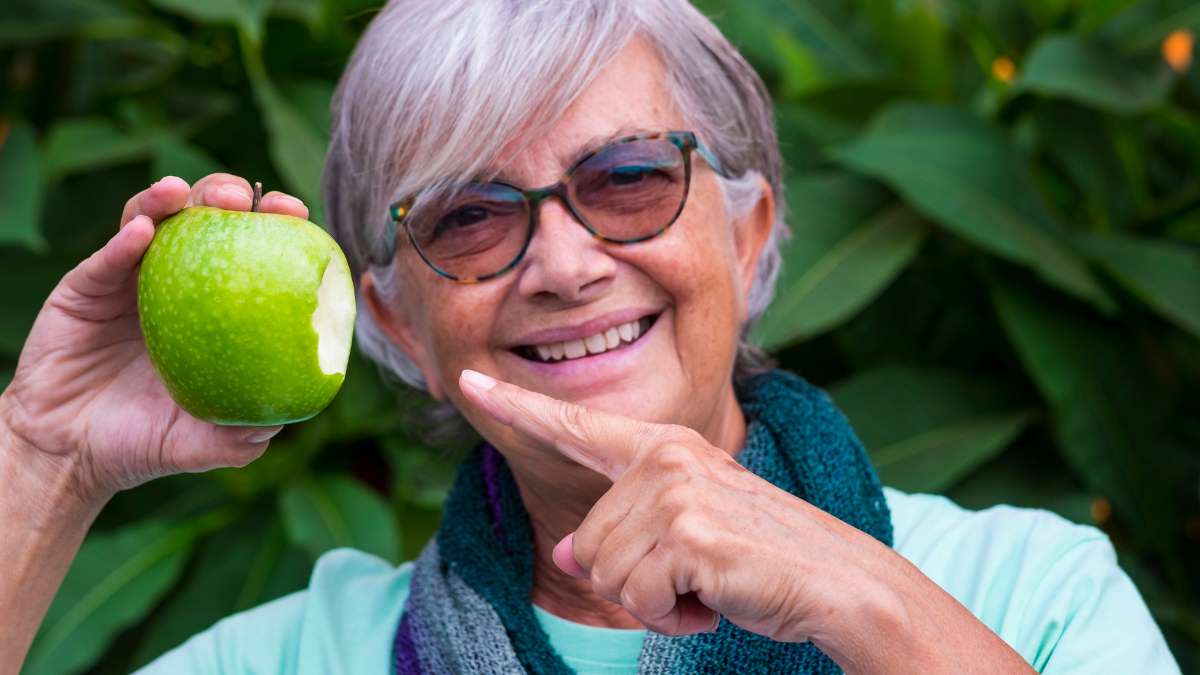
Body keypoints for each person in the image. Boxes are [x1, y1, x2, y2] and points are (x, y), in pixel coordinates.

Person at [0, 0, 1182, 673]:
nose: (565, 266)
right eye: (468, 216)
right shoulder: (293, 658)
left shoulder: (1026, 593)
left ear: (750, 234)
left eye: (627, 179)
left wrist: (861, 605)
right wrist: (44, 458)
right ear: (393, 321)